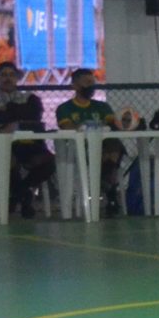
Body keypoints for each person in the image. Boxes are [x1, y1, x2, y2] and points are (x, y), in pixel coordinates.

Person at [0, 62, 54, 217]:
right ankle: (25, 198)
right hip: (2, 145)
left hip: (29, 144)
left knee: (49, 162)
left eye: (11, 75)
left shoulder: (30, 97)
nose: (8, 78)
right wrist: (18, 115)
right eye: (3, 75)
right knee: (7, 161)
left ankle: (19, 193)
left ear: (17, 77)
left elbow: (35, 115)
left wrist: (8, 115)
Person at [58, 69, 128, 215]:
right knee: (105, 152)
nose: (91, 86)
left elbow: (113, 124)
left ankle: (107, 186)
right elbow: (68, 128)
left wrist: (127, 120)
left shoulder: (102, 107)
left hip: (105, 146)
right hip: (82, 148)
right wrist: (90, 126)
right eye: (87, 82)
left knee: (113, 144)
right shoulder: (64, 108)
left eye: (93, 82)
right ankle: (110, 191)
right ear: (75, 86)